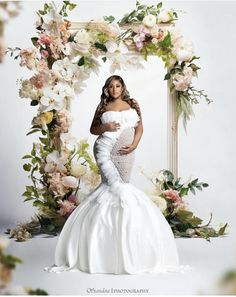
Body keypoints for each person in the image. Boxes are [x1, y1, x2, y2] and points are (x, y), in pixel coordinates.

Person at [44, 75, 191, 274]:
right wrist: (106, 127)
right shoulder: (102, 105)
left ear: (123, 87)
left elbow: (140, 128)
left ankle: (122, 245)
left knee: (124, 185)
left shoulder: (132, 103)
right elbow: (93, 129)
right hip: (105, 150)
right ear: (107, 89)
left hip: (126, 153)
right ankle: (105, 247)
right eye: (111, 86)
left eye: (118, 85)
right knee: (115, 189)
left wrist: (134, 145)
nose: (114, 89)